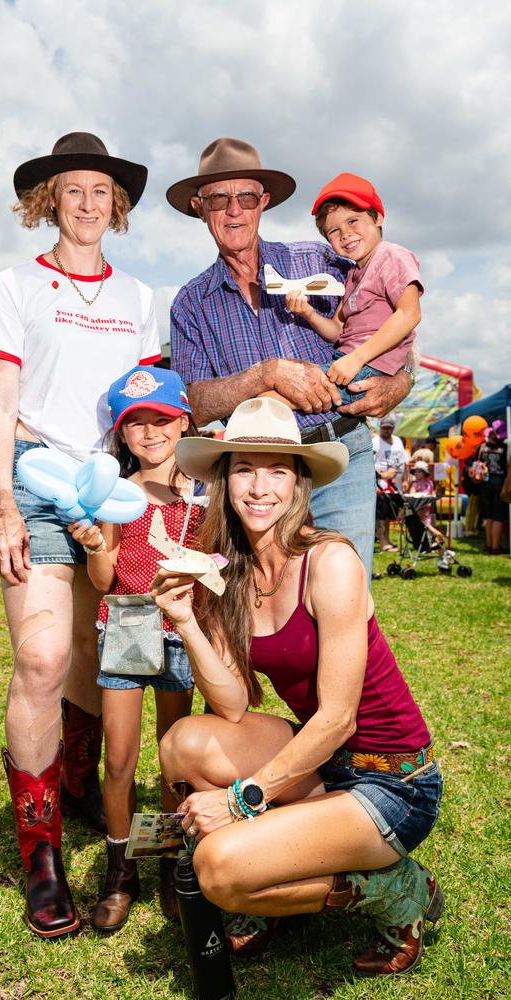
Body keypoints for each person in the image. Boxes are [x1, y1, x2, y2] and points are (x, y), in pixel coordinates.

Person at [152, 397, 443, 978]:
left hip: (393, 780)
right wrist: (187, 622)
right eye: (245, 469)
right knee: (180, 742)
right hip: (325, 762)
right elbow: (232, 702)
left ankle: (393, 887)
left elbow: (338, 719)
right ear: (226, 479)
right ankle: (276, 869)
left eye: (278, 469)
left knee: (218, 871)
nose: (260, 487)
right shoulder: (231, 573)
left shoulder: (330, 562)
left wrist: (242, 800)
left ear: (300, 482)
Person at [0, 131, 159, 938]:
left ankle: (80, 781)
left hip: (115, 490)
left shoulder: (140, 299)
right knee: (45, 658)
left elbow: (149, 410)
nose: (88, 204)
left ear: (117, 205)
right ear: (49, 200)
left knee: (99, 658)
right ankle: (41, 853)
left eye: (101, 192)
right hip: (41, 482)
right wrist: (6, 506)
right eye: (73, 190)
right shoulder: (15, 285)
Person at [167, 139, 415, 580]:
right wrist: (266, 375)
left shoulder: (318, 258)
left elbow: (395, 312)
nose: (234, 211)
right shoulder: (191, 303)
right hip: (257, 479)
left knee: (346, 597)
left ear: (263, 203)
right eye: (219, 199)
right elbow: (193, 404)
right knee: (266, 610)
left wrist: (402, 380)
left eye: (245, 197)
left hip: (341, 454)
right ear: (199, 207)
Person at [70, 366, 200, 930]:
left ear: (184, 422)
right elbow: (102, 580)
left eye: (162, 420)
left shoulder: (203, 491)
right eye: (135, 424)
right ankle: (121, 869)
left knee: (174, 759)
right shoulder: (115, 495)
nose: (150, 433)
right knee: (119, 759)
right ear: (120, 435)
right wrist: (98, 543)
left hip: (179, 633)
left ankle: (172, 862)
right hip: (124, 624)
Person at [286, 173, 422, 390]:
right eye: (334, 231)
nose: (346, 234)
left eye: (353, 221)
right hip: (349, 361)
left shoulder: (391, 255)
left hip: (368, 364)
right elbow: (338, 330)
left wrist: (356, 358)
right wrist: (307, 313)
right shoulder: (353, 275)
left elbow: (410, 313)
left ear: (377, 218)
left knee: (287, 391)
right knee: (284, 388)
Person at [373, 415, 407, 552]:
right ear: (380, 427)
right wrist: (380, 477)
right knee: (381, 515)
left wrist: (405, 480)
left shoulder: (398, 440)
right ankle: (383, 542)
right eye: (384, 428)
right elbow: (369, 464)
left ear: (393, 428)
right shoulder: (375, 442)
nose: (386, 430)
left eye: (389, 428)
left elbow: (403, 461)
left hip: (395, 486)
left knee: (389, 516)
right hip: (381, 485)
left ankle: (386, 540)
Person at [476, 425, 508, 555]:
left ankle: (489, 545)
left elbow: (477, 463)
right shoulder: (504, 448)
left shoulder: (482, 447)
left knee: (488, 516)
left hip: (485, 483)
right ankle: (496, 547)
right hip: (499, 482)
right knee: (498, 517)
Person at [409, 461, 445, 549]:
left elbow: (432, 494)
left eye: (419, 471)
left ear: (424, 473)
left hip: (427, 508)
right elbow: (411, 495)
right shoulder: (415, 483)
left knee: (426, 522)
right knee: (422, 521)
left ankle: (433, 539)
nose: (416, 473)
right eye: (415, 471)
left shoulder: (430, 483)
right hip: (418, 507)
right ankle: (438, 535)